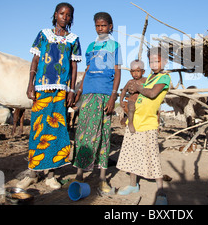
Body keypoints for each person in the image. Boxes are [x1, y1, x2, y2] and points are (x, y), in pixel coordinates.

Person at [17, 2, 82, 190]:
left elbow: (74, 66)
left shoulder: (74, 39)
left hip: (61, 91)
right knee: (37, 130)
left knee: (56, 131)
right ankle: (32, 173)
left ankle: (51, 175)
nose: (65, 17)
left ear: (71, 18)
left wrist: (71, 90)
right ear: (55, 15)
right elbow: (35, 60)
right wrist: (30, 83)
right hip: (41, 88)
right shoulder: (43, 34)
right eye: (62, 13)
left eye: (69, 15)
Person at [73, 12, 122, 194]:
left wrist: (113, 97)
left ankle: (102, 178)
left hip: (105, 94)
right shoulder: (91, 46)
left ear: (110, 26)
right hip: (88, 94)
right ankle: (79, 175)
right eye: (97, 26)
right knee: (83, 134)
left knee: (103, 136)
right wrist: (79, 91)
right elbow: (87, 70)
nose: (100, 28)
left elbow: (117, 73)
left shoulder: (115, 46)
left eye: (103, 25)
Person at [116, 47, 171, 205]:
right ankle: (133, 185)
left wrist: (138, 88)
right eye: (152, 61)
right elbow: (133, 92)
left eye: (158, 61)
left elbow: (153, 94)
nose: (154, 64)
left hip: (148, 122)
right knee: (132, 154)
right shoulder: (148, 79)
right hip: (134, 122)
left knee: (152, 156)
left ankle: (161, 192)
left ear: (165, 62)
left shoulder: (164, 78)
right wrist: (127, 102)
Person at [119, 59, 146, 133]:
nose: (135, 73)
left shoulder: (145, 80)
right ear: (130, 73)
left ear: (143, 72)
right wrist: (121, 100)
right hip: (132, 100)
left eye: (138, 71)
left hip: (143, 101)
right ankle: (130, 122)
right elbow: (124, 90)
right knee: (130, 108)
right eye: (133, 71)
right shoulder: (130, 82)